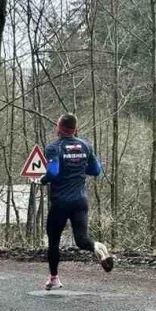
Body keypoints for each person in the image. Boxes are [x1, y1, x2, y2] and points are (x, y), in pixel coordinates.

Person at [40, 113, 113, 290]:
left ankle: (54, 278)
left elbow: (54, 172)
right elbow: (96, 170)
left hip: (61, 202)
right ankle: (97, 247)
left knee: (54, 241)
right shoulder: (86, 145)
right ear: (75, 128)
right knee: (82, 240)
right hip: (80, 200)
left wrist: (42, 180)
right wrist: (78, 167)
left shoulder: (53, 147)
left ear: (59, 127)